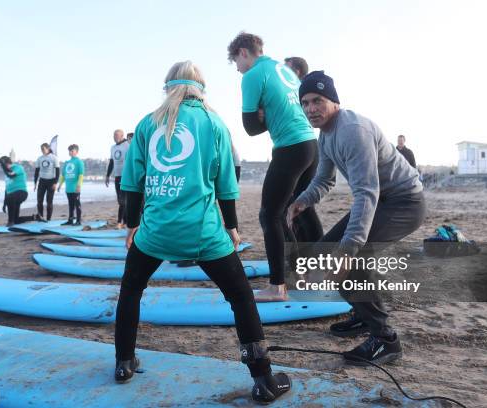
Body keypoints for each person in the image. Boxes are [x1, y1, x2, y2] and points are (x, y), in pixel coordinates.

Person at [114, 61, 291, 404]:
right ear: (200, 88)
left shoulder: (147, 124)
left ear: (168, 87)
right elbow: (226, 185)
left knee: (131, 290)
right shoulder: (214, 123)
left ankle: (123, 363)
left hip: (154, 233)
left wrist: (133, 223)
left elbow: (132, 181)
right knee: (240, 298)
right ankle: (263, 379)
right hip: (204, 234)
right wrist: (232, 228)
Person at [287, 71, 426, 366]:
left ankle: (386, 341)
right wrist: (301, 201)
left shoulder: (352, 130)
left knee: (352, 262)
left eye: (317, 101)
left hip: (403, 202)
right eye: (306, 103)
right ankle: (363, 315)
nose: (311, 108)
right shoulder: (326, 135)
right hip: (380, 200)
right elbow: (324, 180)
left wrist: (348, 250)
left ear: (333, 101)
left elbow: (366, 193)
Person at [228, 31, 322, 302]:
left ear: (243, 52)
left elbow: (250, 128)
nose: (237, 68)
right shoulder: (283, 69)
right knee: (295, 211)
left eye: (236, 61)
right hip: (310, 146)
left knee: (269, 215)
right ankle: (300, 276)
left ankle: (277, 286)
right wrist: (268, 113)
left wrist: (263, 116)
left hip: (290, 147)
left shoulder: (253, 75)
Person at [105, 130, 132, 228]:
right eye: (113, 135)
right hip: (117, 176)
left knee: (123, 201)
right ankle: (125, 221)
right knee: (120, 200)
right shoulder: (113, 147)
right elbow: (111, 162)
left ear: (122, 135)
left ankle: (120, 222)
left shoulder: (128, 145)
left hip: (127, 176)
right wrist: (107, 176)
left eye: (116, 135)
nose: (114, 137)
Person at [0, 156, 34, 226]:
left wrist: (4, 167)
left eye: (2, 165)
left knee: (11, 197)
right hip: (12, 196)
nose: (1, 167)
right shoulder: (6, 174)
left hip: (21, 193)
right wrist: (5, 203)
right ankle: (35, 217)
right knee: (16, 220)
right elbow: (7, 190)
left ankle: (10, 222)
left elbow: (11, 175)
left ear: (5, 163)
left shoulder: (18, 167)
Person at [57, 144, 85, 226]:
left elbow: (81, 175)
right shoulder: (67, 163)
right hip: (68, 188)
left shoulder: (79, 162)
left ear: (77, 152)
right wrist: (60, 185)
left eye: (72, 151)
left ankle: (79, 221)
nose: (71, 152)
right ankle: (70, 220)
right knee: (71, 205)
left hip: (75, 187)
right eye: (70, 151)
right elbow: (63, 175)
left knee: (77, 204)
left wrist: (79, 185)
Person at [33, 142, 60, 221]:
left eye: (44, 149)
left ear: (48, 149)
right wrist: (35, 183)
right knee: (39, 201)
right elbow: (36, 171)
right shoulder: (39, 158)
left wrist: (55, 183)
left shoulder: (54, 158)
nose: (42, 150)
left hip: (51, 182)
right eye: (41, 149)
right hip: (42, 182)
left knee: (49, 201)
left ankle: (48, 219)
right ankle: (41, 217)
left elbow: (58, 171)